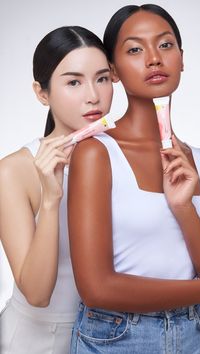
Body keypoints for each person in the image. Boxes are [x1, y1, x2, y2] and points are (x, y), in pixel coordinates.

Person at [68, 4, 200, 354]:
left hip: (196, 336)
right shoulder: (96, 154)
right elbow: (96, 288)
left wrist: (183, 207)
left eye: (165, 45)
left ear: (182, 58)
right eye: (134, 49)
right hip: (116, 337)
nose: (154, 59)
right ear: (113, 71)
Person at [0, 25, 113, 354]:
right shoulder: (14, 171)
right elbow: (37, 294)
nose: (93, 95)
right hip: (37, 341)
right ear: (42, 92)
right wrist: (51, 200)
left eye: (103, 78)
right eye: (74, 81)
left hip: (112, 336)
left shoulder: (123, 158)